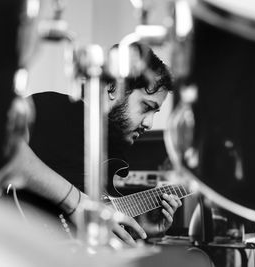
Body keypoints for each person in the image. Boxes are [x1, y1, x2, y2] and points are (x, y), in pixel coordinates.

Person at [10, 42, 182, 245]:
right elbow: (4, 150)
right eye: (146, 107)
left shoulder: (113, 152)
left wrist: (140, 229)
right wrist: (77, 204)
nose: (149, 123)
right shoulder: (49, 107)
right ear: (113, 88)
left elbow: (90, 230)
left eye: (155, 112)